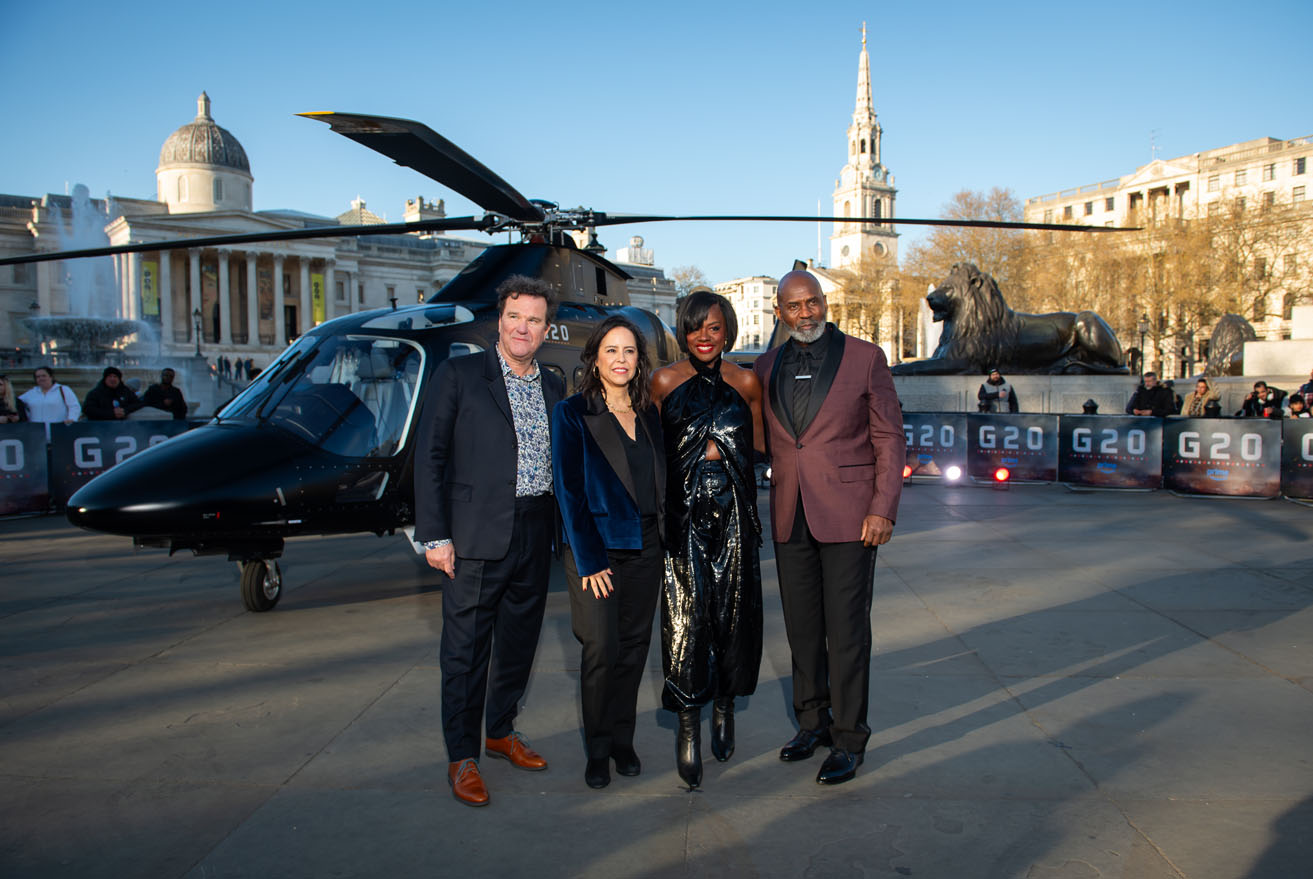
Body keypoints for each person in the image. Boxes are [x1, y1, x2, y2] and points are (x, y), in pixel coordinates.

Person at [413, 274, 564, 808]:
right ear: (499, 321)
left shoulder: (553, 386)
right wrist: (434, 536)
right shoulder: (459, 375)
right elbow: (429, 457)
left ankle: (500, 732)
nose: (523, 327)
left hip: (535, 530)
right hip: (474, 535)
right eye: (514, 316)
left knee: (519, 645)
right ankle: (462, 756)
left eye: (534, 320)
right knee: (465, 651)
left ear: (546, 329)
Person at [753, 270, 905, 786]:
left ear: (824, 303)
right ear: (779, 312)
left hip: (851, 517)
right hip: (789, 512)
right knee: (800, 630)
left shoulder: (866, 358)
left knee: (846, 633)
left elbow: (889, 437)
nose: (806, 313)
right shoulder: (766, 365)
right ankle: (812, 723)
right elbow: (765, 439)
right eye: (794, 306)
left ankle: (849, 739)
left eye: (812, 302)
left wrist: (883, 508)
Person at [650, 289, 765, 790]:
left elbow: (761, 447)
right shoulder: (663, 381)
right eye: (695, 327)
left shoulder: (746, 381)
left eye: (714, 328)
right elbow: (649, 451)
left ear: (727, 332)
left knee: (734, 617)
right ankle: (688, 724)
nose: (704, 336)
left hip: (735, 507)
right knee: (686, 621)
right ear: (683, 331)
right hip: (684, 510)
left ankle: (725, 705)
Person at [552, 316, 665, 790]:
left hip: (647, 547)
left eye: (629, 351)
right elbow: (568, 492)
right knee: (601, 649)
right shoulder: (572, 413)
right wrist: (590, 559)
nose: (621, 359)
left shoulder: (650, 413)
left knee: (634, 650)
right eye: (612, 350)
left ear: (639, 361)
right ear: (595, 359)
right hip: (596, 552)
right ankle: (598, 750)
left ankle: (623, 740)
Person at [19, 366, 81, 440]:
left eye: (44, 376)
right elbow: (17, 403)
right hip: (36, 434)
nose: (41, 378)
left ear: (51, 377)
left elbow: (74, 406)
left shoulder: (63, 390)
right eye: (38, 377)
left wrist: (71, 419)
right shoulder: (31, 393)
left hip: (58, 432)